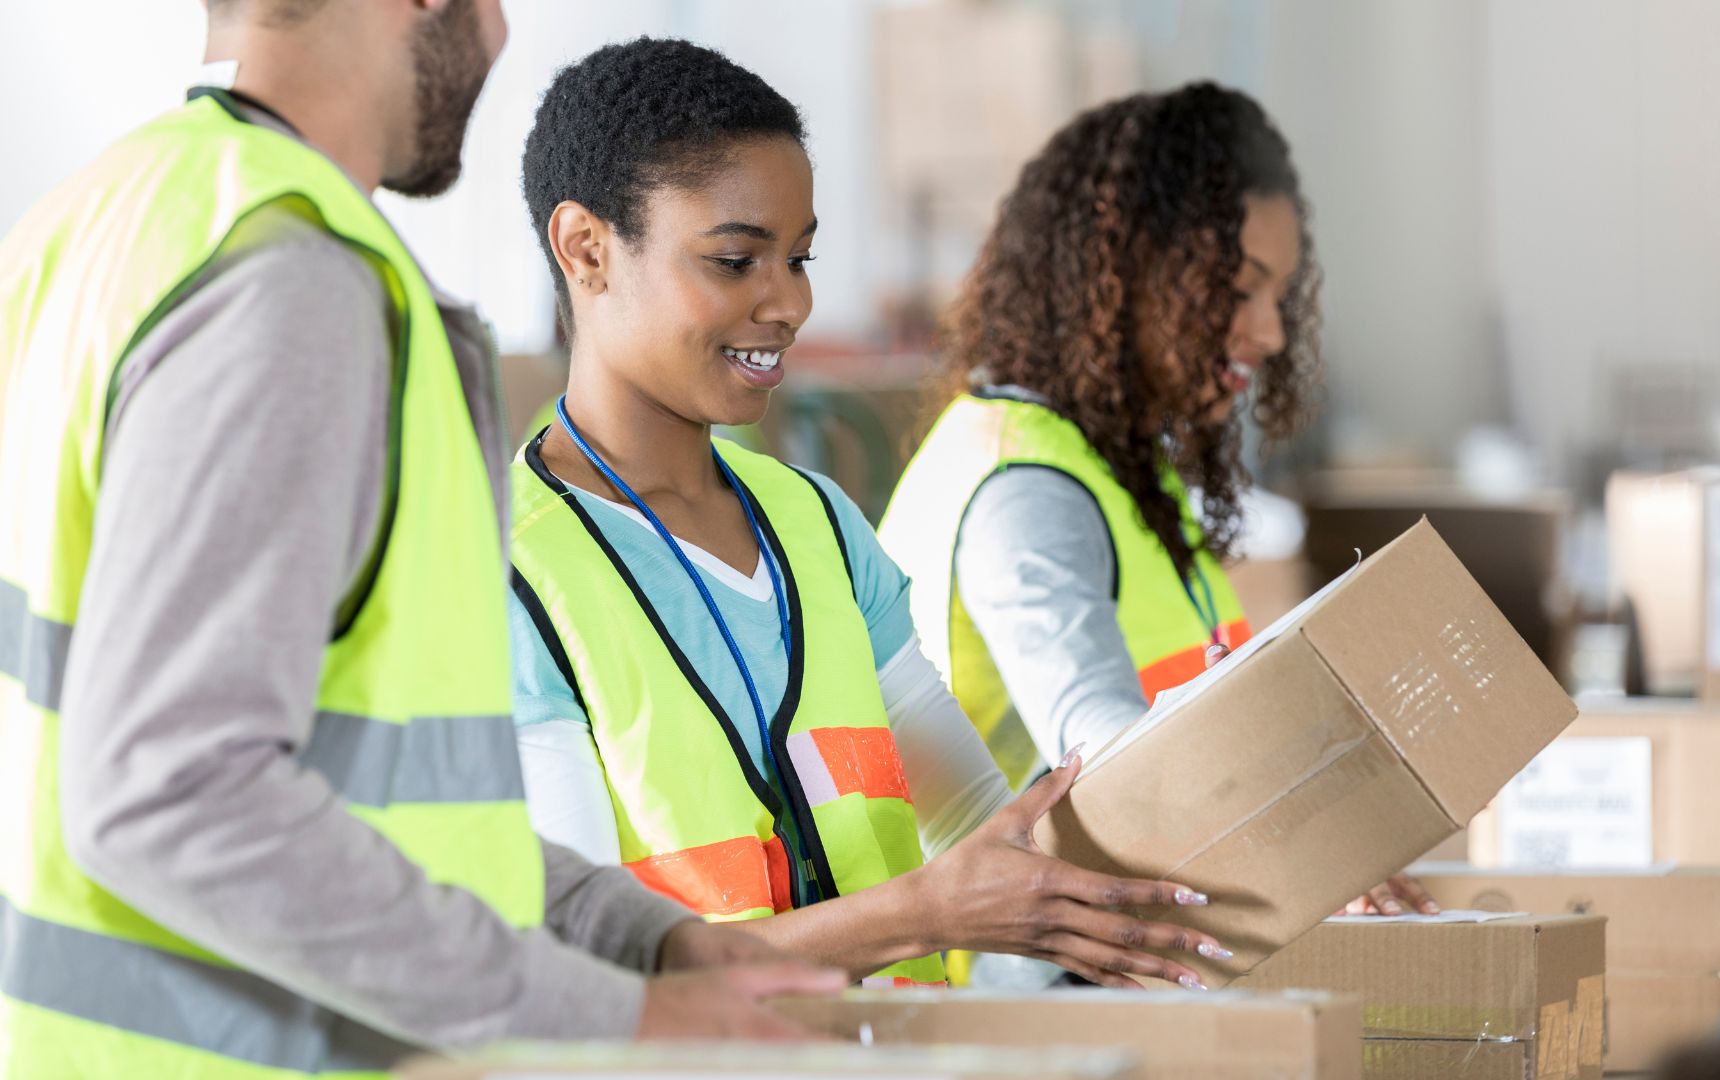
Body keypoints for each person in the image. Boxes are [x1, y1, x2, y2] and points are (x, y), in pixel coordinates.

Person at [0, 3, 841, 1076]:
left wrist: (634, 941)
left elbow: (382, 803)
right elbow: (174, 791)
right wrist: (598, 1018)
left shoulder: (98, 223)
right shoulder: (291, 277)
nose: (494, 37)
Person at [508, 37, 1226, 992]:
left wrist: (1230, 803)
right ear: (587, 249)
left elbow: (980, 826)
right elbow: (586, 966)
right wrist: (924, 913)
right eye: (736, 260)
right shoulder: (513, 571)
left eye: (798, 259)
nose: (789, 303)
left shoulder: (814, 522)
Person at [879, 83, 1436, 920]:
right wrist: (1305, 858)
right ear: (1126, 273)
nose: (1272, 331)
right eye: (1238, 289)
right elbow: (1104, 752)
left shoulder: (1122, 471)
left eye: (1277, 296)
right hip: (1030, 1008)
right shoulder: (1024, 486)